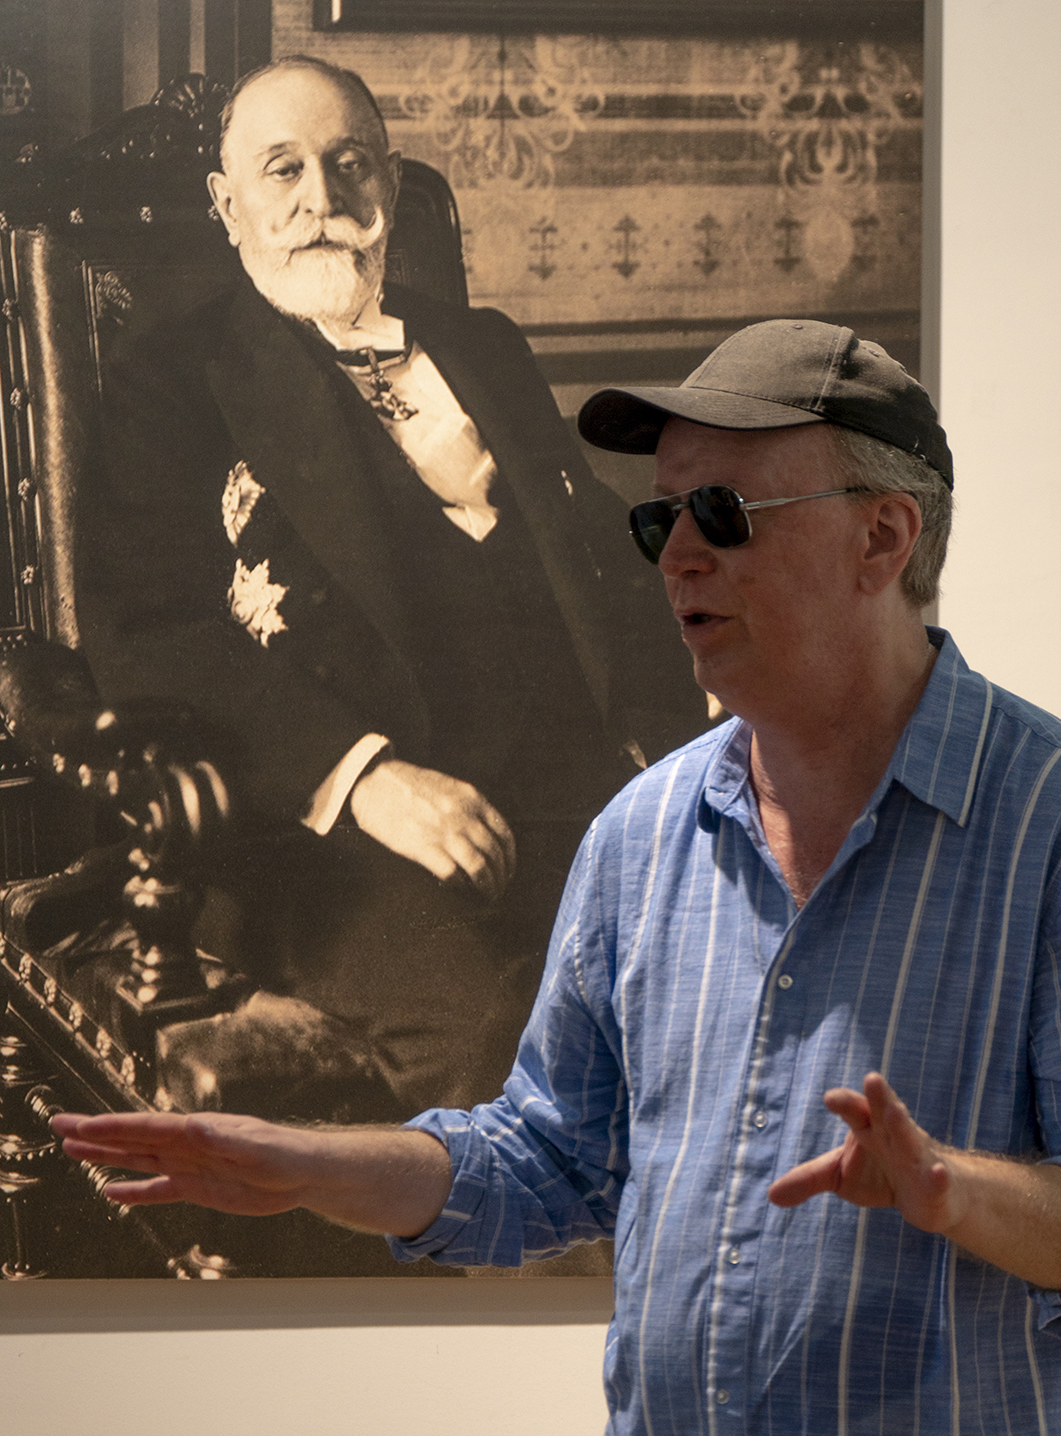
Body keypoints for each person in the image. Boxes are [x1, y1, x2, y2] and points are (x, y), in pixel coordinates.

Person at [56, 320, 1061, 1436]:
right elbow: (543, 1160)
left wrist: (954, 1193)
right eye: (659, 519)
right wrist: (313, 1164)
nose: (676, 557)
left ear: (881, 537)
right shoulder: (640, 835)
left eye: (723, 514)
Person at [76, 55, 701, 1122]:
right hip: (324, 836)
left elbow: (600, 555)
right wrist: (361, 775)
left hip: (563, 786)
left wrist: (692, 716)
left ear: (391, 187)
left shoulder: (482, 345)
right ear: (227, 204)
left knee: (740, 958)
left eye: (348, 163)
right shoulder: (166, 383)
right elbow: (152, 634)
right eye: (282, 170)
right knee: (505, 1030)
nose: (319, 198)